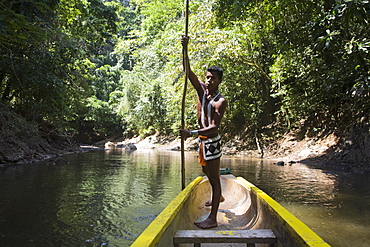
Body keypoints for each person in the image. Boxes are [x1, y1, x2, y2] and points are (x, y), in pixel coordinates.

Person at [180, 35, 228, 229]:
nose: (208, 81)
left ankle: (213, 218)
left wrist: (191, 133)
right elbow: (188, 71)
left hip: (212, 141)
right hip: (202, 141)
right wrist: (185, 48)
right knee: (205, 171)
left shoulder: (220, 101)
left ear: (219, 81)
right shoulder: (201, 91)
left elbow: (214, 127)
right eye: (207, 77)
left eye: (212, 79)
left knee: (214, 179)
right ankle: (221, 196)